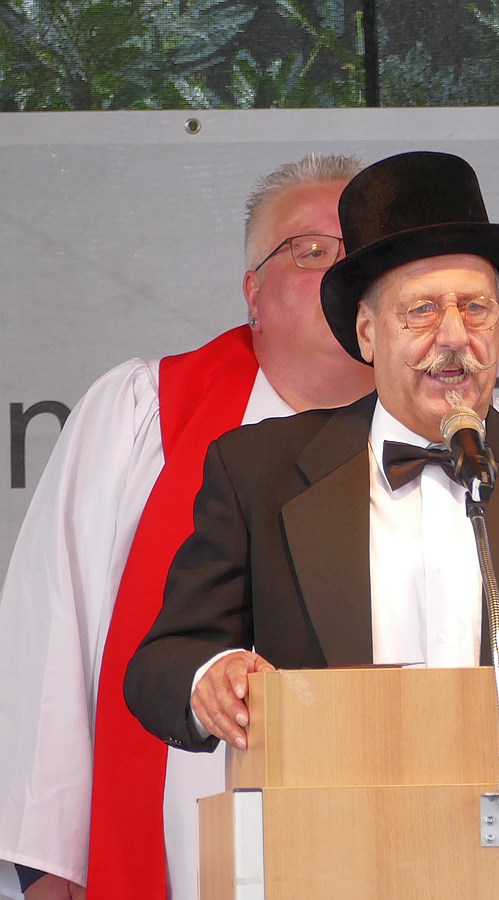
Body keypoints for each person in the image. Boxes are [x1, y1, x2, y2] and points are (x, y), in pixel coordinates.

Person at [123, 150, 499, 761]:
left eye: (475, 309)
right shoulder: (259, 471)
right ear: (367, 332)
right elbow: (166, 660)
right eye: (422, 310)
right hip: (327, 809)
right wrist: (211, 675)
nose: (454, 336)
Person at [0, 154, 377, 900]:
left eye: (362, 254)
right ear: (253, 292)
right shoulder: (145, 413)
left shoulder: (475, 439)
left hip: (404, 837)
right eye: (311, 252)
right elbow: (52, 632)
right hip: (184, 857)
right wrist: (47, 863)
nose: (341, 272)